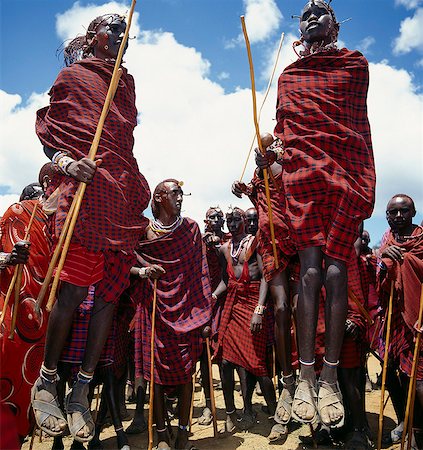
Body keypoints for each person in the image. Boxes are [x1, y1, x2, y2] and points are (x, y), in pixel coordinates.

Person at [255, 0, 375, 427]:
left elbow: (351, 121)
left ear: (335, 24)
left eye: (320, 11)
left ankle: (328, 377)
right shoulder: (288, 76)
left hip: (344, 170)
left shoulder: (354, 65)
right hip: (303, 172)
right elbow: (287, 134)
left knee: (336, 270)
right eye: (304, 14)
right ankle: (305, 374)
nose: (310, 17)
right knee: (308, 271)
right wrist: (270, 157)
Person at [31, 13, 150, 443]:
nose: (121, 37)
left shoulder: (126, 83)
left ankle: (81, 390)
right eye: (113, 30)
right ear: (94, 37)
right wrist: (66, 163)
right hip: (83, 190)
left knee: (108, 298)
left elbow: (123, 137)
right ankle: (45, 382)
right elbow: (49, 134)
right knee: (75, 291)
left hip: (117, 191)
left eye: (126, 32)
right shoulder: (74, 76)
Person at [132, 179, 211, 450]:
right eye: (174, 193)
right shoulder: (142, 231)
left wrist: (203, 315)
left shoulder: (190, 229)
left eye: (181, 194)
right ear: (158, 198)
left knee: (186, 373)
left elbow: (200, 271)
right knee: (153, 375)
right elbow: (126, 259)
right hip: (152, 308)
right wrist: (143, 272)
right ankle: (162, 434)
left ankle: (183, 434)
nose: (180, 198)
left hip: (186, 313)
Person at [213, 207, 282, 441]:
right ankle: (232, 414)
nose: (232, 224)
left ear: (244, 221)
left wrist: (259, 310)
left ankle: (276, 417)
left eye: (236, 220)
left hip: (253, 303)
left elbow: (265, 276)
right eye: (229, 221)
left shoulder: (255, 243)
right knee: (225, 362)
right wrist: (213, 296)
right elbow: (226, 280)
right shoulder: (224, 248)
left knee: (257, 365)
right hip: (233, 305)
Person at [0, 164, 56, 446]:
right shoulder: (15, 214)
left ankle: (16, 440)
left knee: (27, 392)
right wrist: (9, 258)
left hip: (39, 328)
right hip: (9, 320)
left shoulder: (58, 228)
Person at [377, 194, 423, 445]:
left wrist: (406, 260)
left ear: (413, 212)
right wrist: (386, 258)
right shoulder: (387, 240)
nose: (397, 216)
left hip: (418, 319)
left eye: (403, 211)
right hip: (394, 318)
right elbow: (380, 278)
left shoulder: (422, 239)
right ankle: (405, 424)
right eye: (392, 213)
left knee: (419, 381)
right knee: (393, 373)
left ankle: (417, 432)